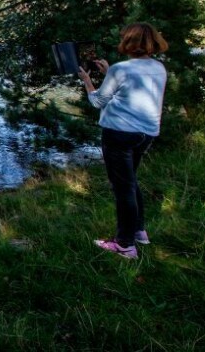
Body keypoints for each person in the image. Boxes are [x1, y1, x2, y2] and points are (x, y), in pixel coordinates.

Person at [77, 23, 168, 259]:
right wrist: (110, 73)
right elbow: (132, 91)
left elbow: (98, 101)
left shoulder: (121, 69)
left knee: (123, 188)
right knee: (130, 181)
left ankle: (125, 244)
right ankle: (138, 231)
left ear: (129, 42)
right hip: (146, 134)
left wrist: (87, 80)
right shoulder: (158, 67)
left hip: (119, 134)